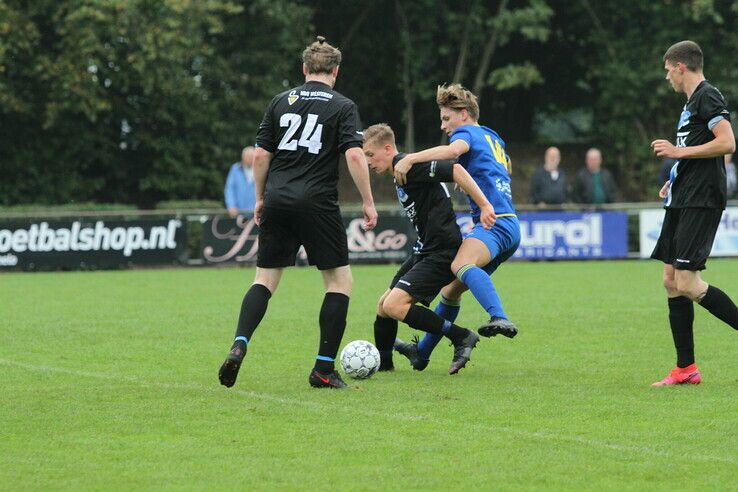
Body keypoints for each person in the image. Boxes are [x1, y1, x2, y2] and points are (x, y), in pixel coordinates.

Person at [218, 36, 378, 390]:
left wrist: (260, 197)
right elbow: (353, 155)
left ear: (304, 69)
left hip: (277, 199)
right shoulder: (343, 105)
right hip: (317, 202)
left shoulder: (280, 101)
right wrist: (368, 201)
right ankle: (323, 368)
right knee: (339, 282)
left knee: (264, 279)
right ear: (336, 71)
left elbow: (261, 155)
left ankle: (240, 343)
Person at [392, 84, 520, 369]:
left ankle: (498, 315)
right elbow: (506, 167)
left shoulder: (466, 133)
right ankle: (421, 354)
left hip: (494, 221)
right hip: (510, 223)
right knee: (451, 290)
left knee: (460, 263)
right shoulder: (492, 135)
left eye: (446, 118)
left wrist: (411, 157)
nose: (444, 125)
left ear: (463, 114)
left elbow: (453, 152)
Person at [364, 124, 494, 375]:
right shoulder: (399, 170)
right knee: (383, 306)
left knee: (394, 306)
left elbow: (455, 169)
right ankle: (384, 366)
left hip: (442, 251)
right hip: (424, 249)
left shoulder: (407, 166)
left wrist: (485, 205)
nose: (368, 161)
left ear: (388, 148)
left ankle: (461, 336)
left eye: (371, 154)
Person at [650, 40, 738, 386]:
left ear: (680, 66)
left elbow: (727, 142)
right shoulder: (691, 104)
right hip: (684, 195)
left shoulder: (707, 95)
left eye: (668, 69)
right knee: (671, 280)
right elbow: (693, 150)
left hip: (701, 199)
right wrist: (674, 178)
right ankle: (685, 368)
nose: (667, 76)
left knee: (687, 282)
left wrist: (678, 154)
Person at [224, 146, 257, 216]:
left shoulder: (260, 169)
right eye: (247, 156)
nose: (249, 158)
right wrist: (231, 206)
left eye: (252, 156)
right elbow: (229, 189)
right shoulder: (235, 169)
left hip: (256, 213)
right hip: (238, 213)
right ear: (243, 157)